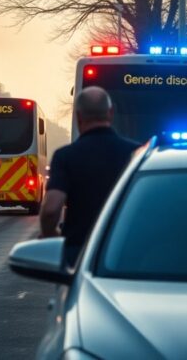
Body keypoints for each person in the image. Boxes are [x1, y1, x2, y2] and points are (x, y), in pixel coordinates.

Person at [39, 86, 139, 267]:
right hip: (125, 253)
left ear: (78, 116)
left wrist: (49, 235)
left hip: (79, 252)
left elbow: (51, 210)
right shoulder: (136, 153)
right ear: (111, 113)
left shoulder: (65, 156)